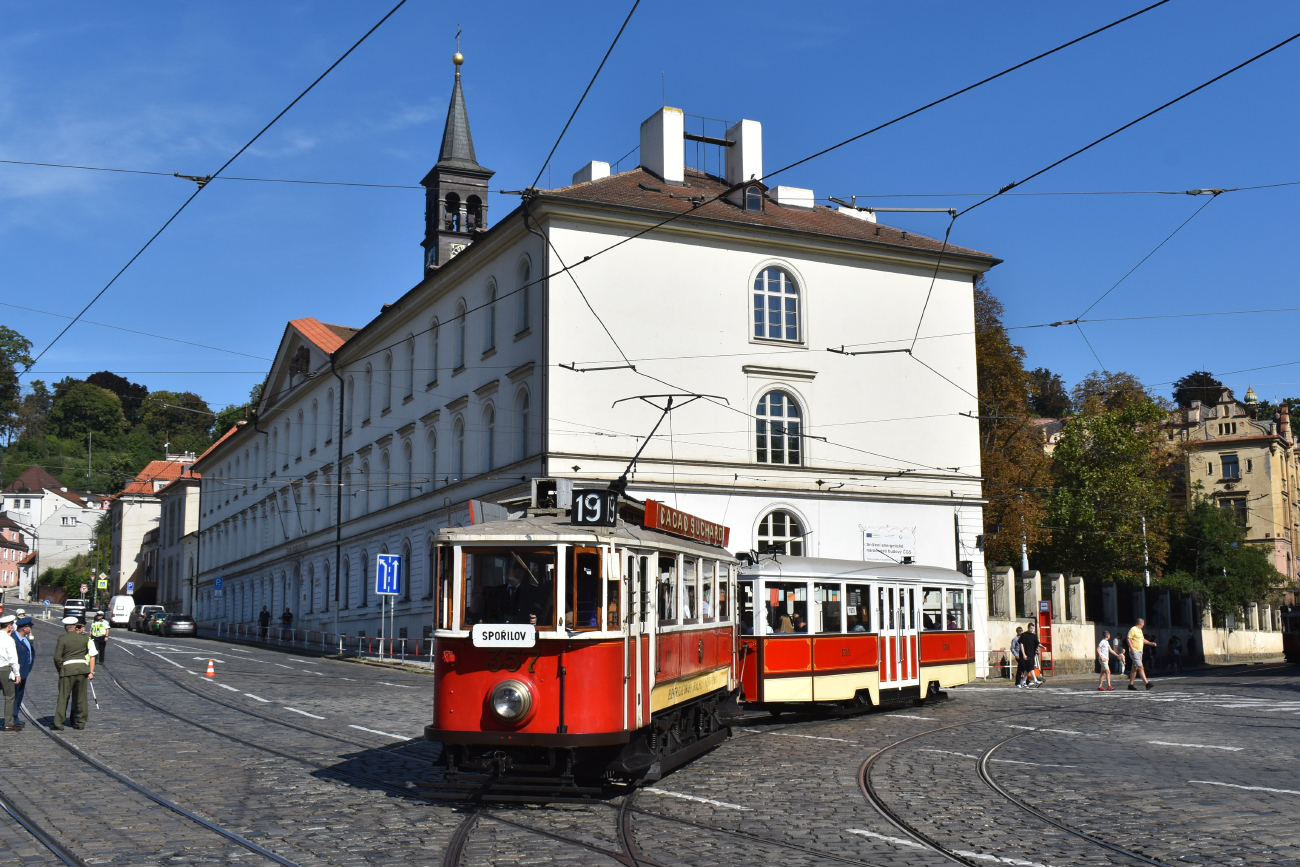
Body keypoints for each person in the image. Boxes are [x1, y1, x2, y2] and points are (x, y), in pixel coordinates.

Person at [53, 615, 96, 730]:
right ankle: (81, 722)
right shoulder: (85, 639)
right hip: (82, 670)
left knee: (63, 697)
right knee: (81, 697)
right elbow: (89, 654)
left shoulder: (62, 639)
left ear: (66, 627)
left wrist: (60, 669)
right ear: (75, 626)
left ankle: (59, 723)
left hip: (67, 670)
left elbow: (57, 658)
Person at [0, 615, 22, 731]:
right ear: (9, 626)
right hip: (4, 669)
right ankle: (8, 723)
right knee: (9, 696)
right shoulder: (9, 640)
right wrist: (17, 674)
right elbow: (13, 659)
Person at [12, 617, 34, 722]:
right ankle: (13, 717)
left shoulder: (25, 638)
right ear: (24, 628)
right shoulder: (14, 640)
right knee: (14, 696)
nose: (31, 628)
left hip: (24, 672)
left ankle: (15, 715)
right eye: (29, 627)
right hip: (16, 673)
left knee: (19, 695)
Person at [1127, 618, 1157, 691]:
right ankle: (1147, 683)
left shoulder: (1140, 631)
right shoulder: (1133, 629)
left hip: (1140, 651)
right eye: (1143, 623)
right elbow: (1128, 638)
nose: (1143, 625)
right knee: (1141, 667)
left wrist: (1150, 643)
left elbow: (1142, 640)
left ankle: (1130, 685)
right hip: (1135, 651)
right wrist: (1132, 648)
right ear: (1140, 623)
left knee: (1134, 668)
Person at [1018, 622, 1042, 688]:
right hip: (1026, 654)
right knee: (1031, 667)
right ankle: (1035, 681)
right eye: (1031, 628)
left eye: (1033, 628)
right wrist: (1023, 654)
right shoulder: (1024, 635)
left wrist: (1043, 647)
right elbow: (1021, 644)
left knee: (1027, 669)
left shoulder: (1033, 636)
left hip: (1032, 654)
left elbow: (1037, 643)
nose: (1032, 630)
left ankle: (1023, 682)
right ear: (1028, 628)